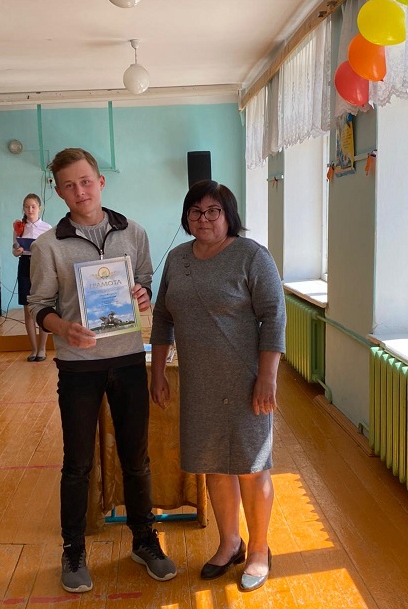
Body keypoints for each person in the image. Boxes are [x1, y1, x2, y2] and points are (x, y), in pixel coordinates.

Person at [27, 148, 176, 594]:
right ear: (59, 191)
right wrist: (62, 328)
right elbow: (38, 307)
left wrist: (143, 294)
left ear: (101, 181)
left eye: (86, 181)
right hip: (78, 368)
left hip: (128, 361)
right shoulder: (47, 245)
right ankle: (73, 550)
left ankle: (144, 541)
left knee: (137, 458)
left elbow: (144, 281)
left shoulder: (134, 232)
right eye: (69, 185)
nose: (80, 191)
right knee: (77, 464)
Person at [150, 180, 286, 593]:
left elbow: (274, 316)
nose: (203, 218)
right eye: (195, 211)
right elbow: (162, 317)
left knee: (251, 466)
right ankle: (230, 543)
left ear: (229, 215)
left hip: (246, 382)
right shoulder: (177, 259)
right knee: (213, 464)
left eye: (213, 211)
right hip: (198, 383)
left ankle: (258, 549)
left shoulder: (251, 256)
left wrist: (267, 377)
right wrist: (158, 371)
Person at [12, 194, 51, 361]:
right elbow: (14, 251)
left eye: (33, 206)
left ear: (39, 208)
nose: (30, 210)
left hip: (40, 266)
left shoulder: (47, 228)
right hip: (25, 265)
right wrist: (17, 251)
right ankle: (33, 349)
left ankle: (42, 348)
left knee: (42, 307)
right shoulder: (19, 227)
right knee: (28, 310)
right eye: (27, 207)